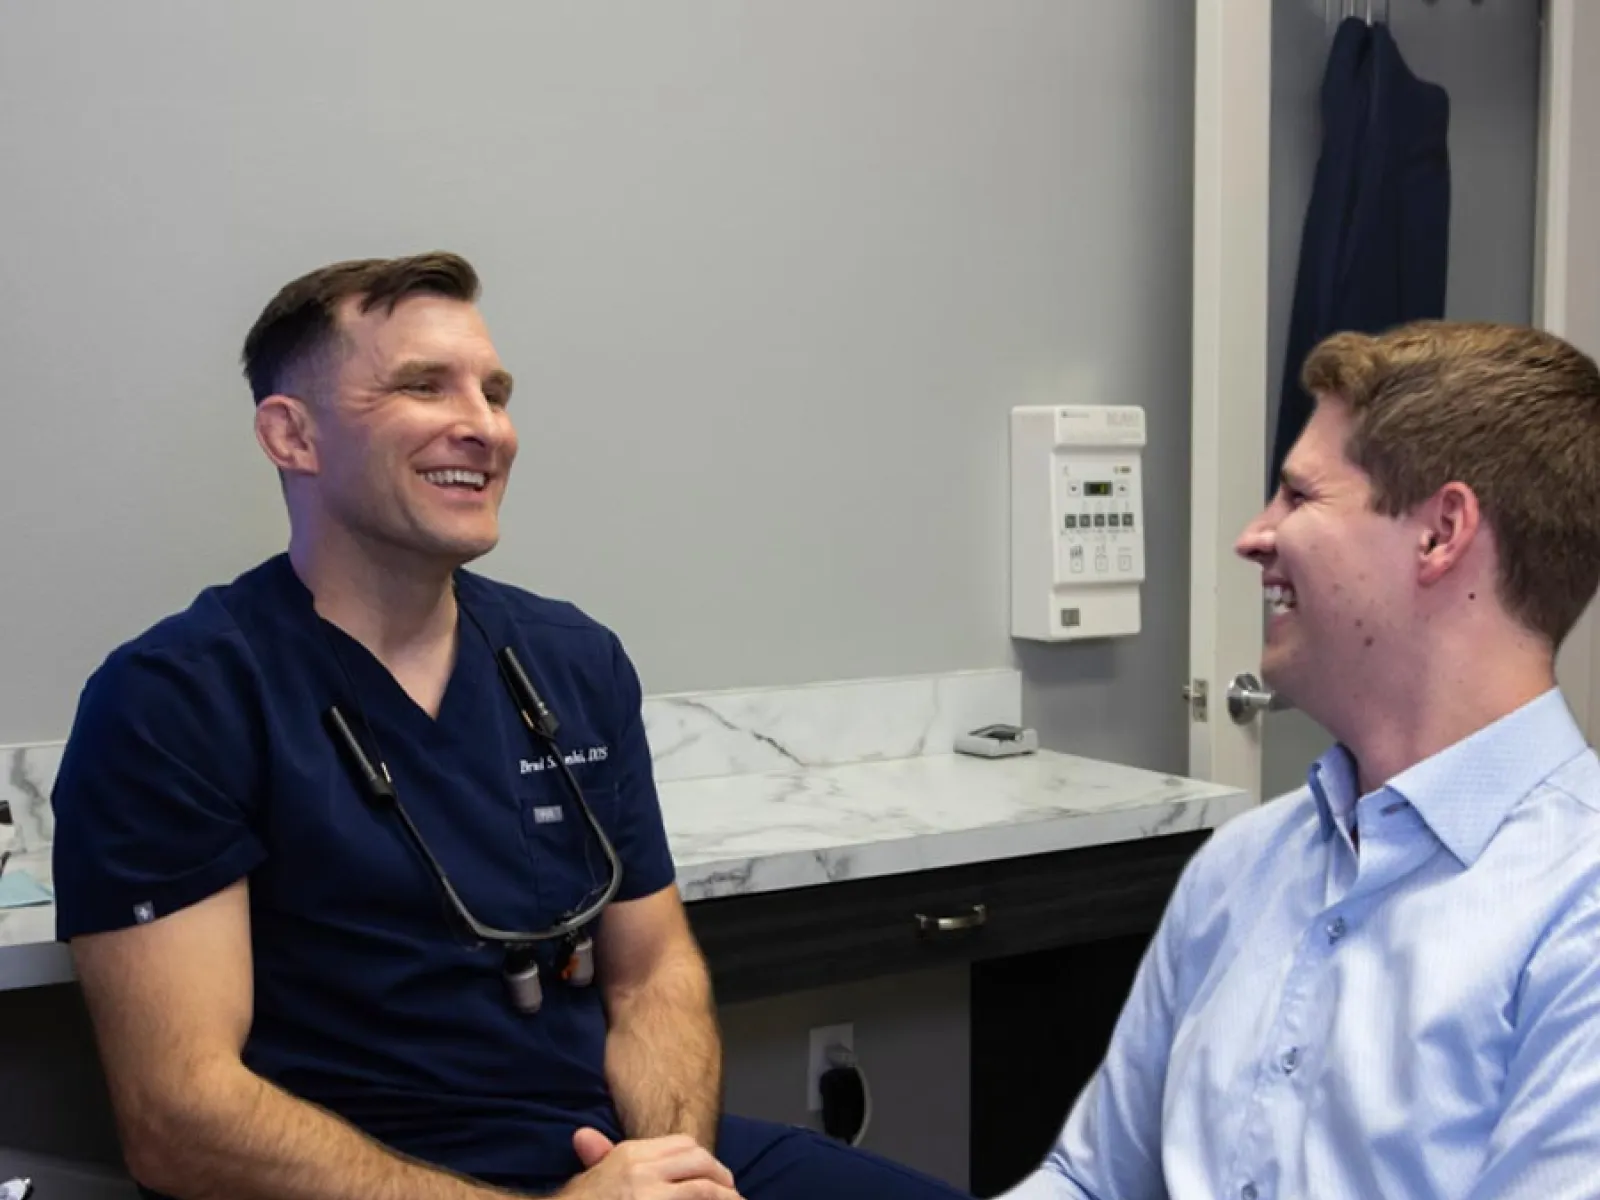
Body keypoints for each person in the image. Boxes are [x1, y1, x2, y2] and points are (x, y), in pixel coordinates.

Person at [49, 252, 971, 1200]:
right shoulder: (175, 700)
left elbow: (650, 975)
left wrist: (668, 1171)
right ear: (293, 436)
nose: (483, 425)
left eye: (494, 391)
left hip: (604, 1155)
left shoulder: (570, 659)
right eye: (422, 385)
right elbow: (179, 1114)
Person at [1003, 320, 1600, 1200]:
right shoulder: (1244, 866)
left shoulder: (1576, 910)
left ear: (1441, 533)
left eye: (1299, 495)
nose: (1254, 535)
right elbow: (1091, 1183)